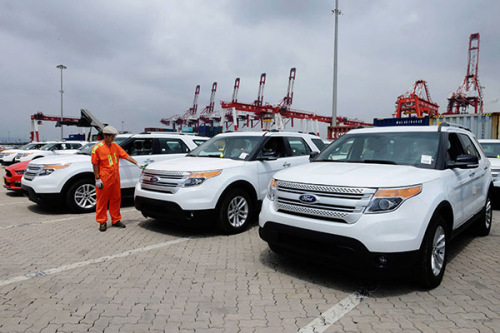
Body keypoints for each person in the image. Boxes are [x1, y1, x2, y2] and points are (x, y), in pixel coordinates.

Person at [91, 126, 140, 232]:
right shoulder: (97, 148)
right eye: (111, 136)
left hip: (115, 178)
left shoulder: (115, 146)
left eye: (114, 136)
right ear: (105, 136)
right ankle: (102, 221)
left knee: (116, 199)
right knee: (102, 201)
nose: (113, 138)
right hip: (104, 177)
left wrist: (136, 163)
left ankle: (116, 220)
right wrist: (97, 178)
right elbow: (95, 164)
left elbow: (125, 156)